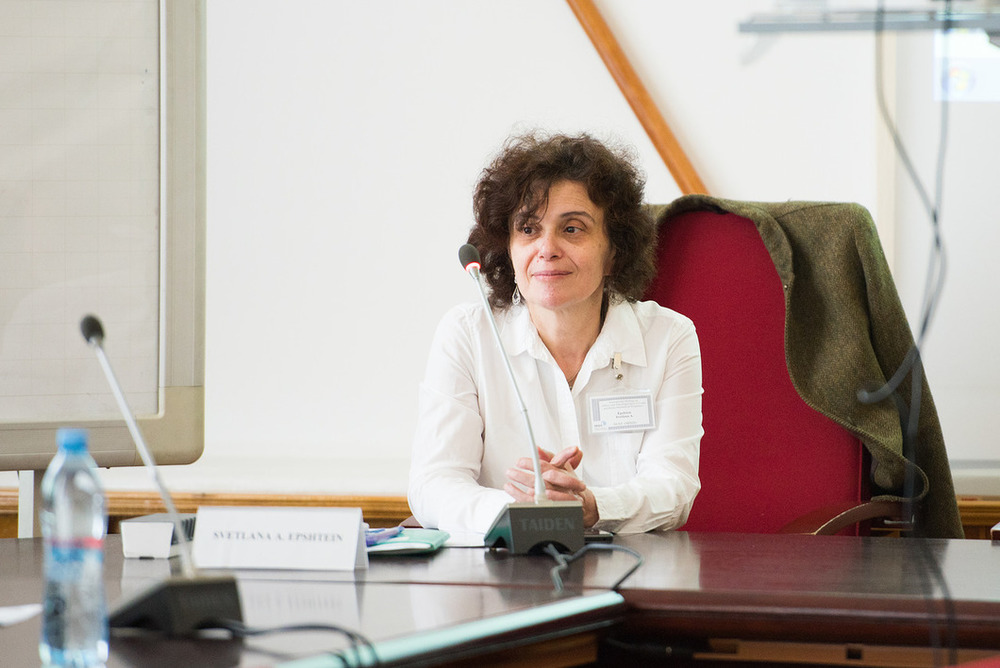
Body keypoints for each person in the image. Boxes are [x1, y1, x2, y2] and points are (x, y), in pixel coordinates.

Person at [408, 131, 703, 535]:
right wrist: (523, 512)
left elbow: (674, 485)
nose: (547, 248)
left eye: (573, 229)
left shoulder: (668, 337)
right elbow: (434, 483)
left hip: (630, 563)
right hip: (503, 563)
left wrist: (593, 507)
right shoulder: (467, 335)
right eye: (529, 229)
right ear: (509, 249)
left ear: (614, 252)